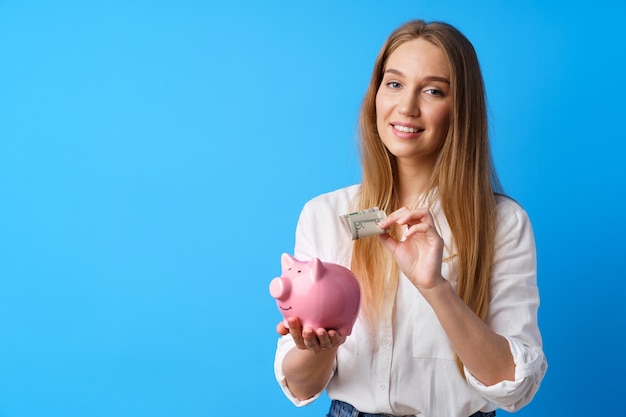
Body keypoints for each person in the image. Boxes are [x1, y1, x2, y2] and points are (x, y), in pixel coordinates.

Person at [273, 19, 547, 417]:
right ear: (376, 95)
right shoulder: (326, 215)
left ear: (460, 109)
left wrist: (435, 286)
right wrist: (321, 346)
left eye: (433, 90)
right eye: (395, 84)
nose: (406, 107)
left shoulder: (503, 223)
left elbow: (512, 386)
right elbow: (301, 385)